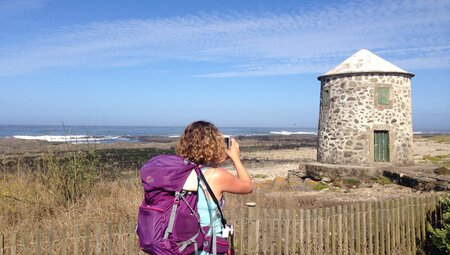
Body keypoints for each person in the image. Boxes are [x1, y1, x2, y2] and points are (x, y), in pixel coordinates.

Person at [176, 120, 253, 254]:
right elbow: (248, 186)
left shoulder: (177, 173)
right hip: (206, 248)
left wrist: (214, 162)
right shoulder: (216, 176)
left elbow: (201, 174)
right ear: (213, 144)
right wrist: (236, 158)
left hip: (180, 246)